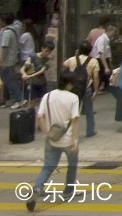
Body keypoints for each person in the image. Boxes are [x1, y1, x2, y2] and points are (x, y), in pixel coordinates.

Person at [28, 71, 81, 212]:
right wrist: (75, 139)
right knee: (72, 165)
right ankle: (68, 192)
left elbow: (39, 116)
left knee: (48, 167)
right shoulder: (73, 98)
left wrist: (47, 133)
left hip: (52, 138)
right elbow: (75, 119)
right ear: (69, 84)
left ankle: (37, 189)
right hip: (68, 139)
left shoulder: (48, 96)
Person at [62, 41, 98, 138]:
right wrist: (96, 91)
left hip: (73, 88)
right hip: (86, 89)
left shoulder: (72, 59)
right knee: (89, 110)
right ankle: (90, 131)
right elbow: (96, 77)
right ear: (90, 51)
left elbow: (64, 65)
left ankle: (70, 131)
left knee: (73, 111)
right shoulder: (93, 61)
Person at [21, 38, 56, 109]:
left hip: (41, 82)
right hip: (32, 82)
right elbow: (23, 68)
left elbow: (41, 71)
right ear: (42, 48)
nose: (47, 53)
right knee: (31, 102)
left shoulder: (48, 59)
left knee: (43, 101)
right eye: (46, 51)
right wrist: (24, 74)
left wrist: (29, 76)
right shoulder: (32, 57)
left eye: (49, 52)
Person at [1, 14, 24, 106]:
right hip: (12, 59)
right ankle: (5, 99)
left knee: (8, 80)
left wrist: (1, 61)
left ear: (3, 21)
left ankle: (19, 99)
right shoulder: (13, 30)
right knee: (7, 79)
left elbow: (5, 47)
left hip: (7, 61)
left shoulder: (7, 32)